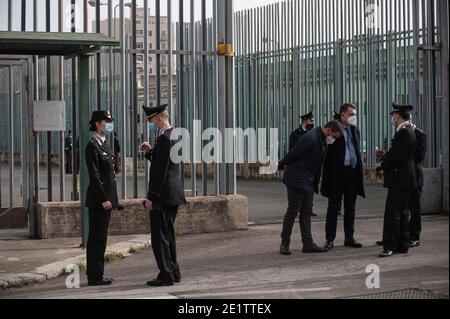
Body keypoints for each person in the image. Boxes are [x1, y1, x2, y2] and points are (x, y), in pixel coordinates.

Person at [278, 121, 344, 255]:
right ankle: (284, 244)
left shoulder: (321, 140)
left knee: (306, 213)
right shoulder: (311, 138)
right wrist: (282, 164)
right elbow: (294, 153)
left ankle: (307, 244)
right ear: (329, 130)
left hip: (308, 181)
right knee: (292, 211)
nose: (334, 140)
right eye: (334, 137)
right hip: (297, 179)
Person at [141, 104, 186, 287]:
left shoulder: (165, 139)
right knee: (168, 235)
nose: (151, 124)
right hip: (173, 193)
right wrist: (150, 152)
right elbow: (165, 161)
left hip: (163, 195)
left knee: (159, 238)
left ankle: (166, 274)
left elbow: (160, 171)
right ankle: (173, 272)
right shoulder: (173, 135)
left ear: (159, 118)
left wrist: (151, 197)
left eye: (151, 121)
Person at [376, 115, 427, 248]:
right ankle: (398, 236)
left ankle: (414, 236)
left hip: (413, 175)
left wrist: (396, 160)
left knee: (413, 208)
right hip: (404, 174)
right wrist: (386, 155)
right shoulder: (401, 133)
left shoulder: (417, 134)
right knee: (401, 209)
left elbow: (418, 156)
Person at [321, 104, 365, 250]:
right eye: (351, 114)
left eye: (355, 114)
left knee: (350, 207)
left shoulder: (354, 130)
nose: (354, 117)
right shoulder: (333, 129)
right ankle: (329, 239)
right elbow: (326, 154)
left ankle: (349, 237)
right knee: (333, 206)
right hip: (336, 173)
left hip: (351, 172)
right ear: (342, 114)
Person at [85, 111, 119, 286]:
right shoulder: (92, 146)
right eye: (107, 121)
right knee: (97, 239)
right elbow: (95, 176)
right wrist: (103, 198)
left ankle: (98, 274)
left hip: (107, 201)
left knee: (101, 238)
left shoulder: (105, 143)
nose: (109, 124)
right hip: (100, 202)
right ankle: (94, 276)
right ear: (98, 124)